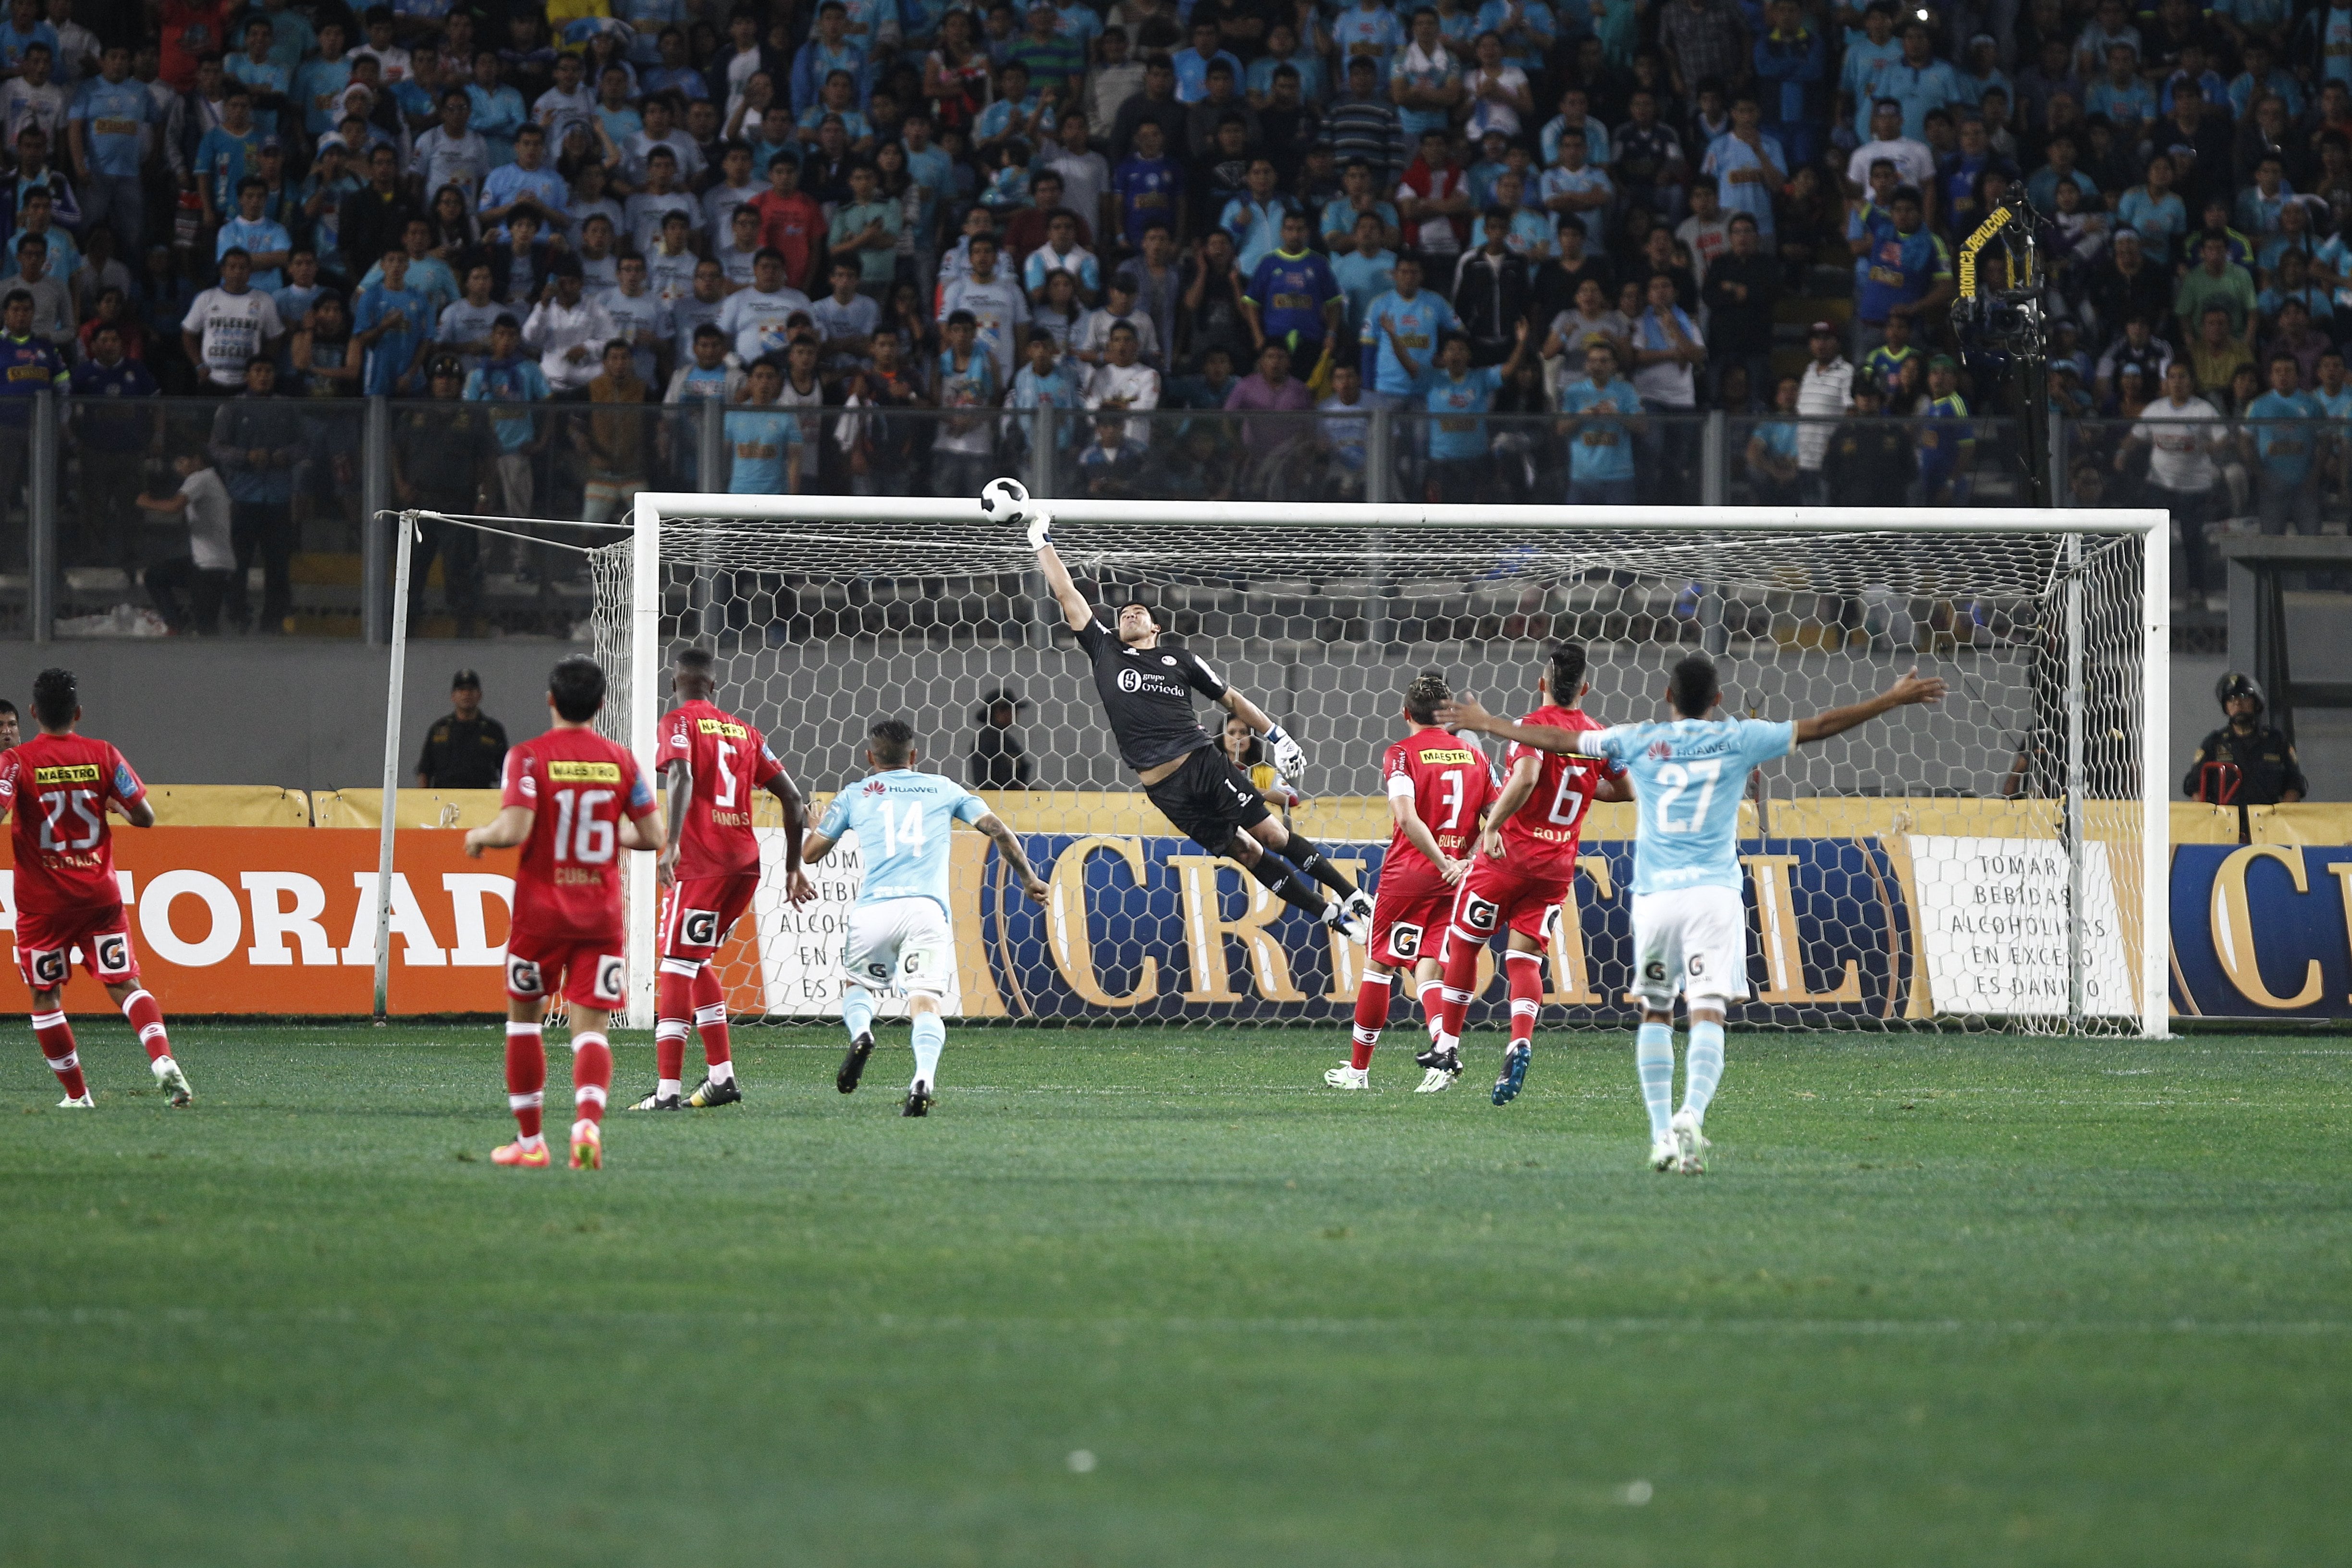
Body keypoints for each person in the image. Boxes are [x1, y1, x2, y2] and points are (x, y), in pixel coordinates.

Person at [1451, 653, 1946, 1172]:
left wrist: (1491, 725)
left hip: (1657, 900)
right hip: (1713, 897)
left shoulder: (1640, 738)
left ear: (1668, 697)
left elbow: (1560, 742)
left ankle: (1662, 1133)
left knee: (1657, 1013)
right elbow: (1821, 726)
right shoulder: (1739, 738)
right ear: (1718, 700)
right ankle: (1693, 1113)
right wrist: (1891, 699)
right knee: (1708, 1011)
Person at [1028, 505, 1371, 939]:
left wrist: (1276, 734)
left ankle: (1351, 894)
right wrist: (1041, 542)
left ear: (1157, 626)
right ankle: (1329, 914)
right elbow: (1067, 595)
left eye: (1139, 612)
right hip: (1163, 790)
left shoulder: (1181, 660)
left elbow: (1231, 698)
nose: (1129, 615)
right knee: (1245, 854)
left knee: (1269, 834)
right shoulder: (1105, 650)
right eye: (1123, 614)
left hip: (1202, 765)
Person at [463, 656, 666, 1171]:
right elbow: (654, 836)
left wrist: (479, 836)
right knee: (592, 1030)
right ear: (601, 705)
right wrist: (603, 839)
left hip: (541, 915)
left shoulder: (528, 757)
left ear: (550, 700)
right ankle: (587, 1129)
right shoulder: (621, 761)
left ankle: (531, 1144)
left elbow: (513, 829)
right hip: (599, 916)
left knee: (525, 1025)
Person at [1405, 644, 1626, 1101]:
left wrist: (1495, 826)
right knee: (1524, 958)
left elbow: (1525, 778)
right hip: (1556, 868)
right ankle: (1520, 1040)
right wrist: (1583, 785)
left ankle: (1446, 1045)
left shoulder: (1529, 727)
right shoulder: (1599, 737)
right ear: (1585, 688)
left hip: (1509, 859)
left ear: (1542, 683)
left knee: (1466, 943)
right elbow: (1622, 790)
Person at [802, 717, 1048, 1115]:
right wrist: (1030, 878)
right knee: (926, 1002)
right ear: (915, 756)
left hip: (875, 910)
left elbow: (811, 853)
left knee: (857, 984)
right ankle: (923, 1080)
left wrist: (816, 826)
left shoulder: (856, 793)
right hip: (927, 911)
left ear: (870, 758)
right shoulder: (943, 789)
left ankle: (863, 1033)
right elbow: (999, 830)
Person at [629, 647, 814, 1113]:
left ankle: (667, 1093)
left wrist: (671, 842)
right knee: (694, 960)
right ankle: (721, 1077)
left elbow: (684, 774)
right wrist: (794, 866)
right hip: (744, 866)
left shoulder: (677, 723)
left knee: (674, 965)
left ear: (676, 685)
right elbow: (794, 801)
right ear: (714, 687)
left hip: (703, 863)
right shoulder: (746, 732)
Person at [0, 666, 187, 1108]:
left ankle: (78, 1095)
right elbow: (145, 817)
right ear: (78, 713)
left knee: (46, 996)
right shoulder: (104, 754)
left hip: (43, 906)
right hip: (100, 897)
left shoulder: (17, 761)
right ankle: (162, 1061)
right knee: (125, 984)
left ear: (32, 713)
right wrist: (106, 804)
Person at [1327, 669, 1498, 1091]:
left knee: (1380, 965)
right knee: (1429, 970)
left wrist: (1440, 860)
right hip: (1457, 879)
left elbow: (1406, 816)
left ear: (1407, 713)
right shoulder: (1477, 757)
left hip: (1411, 874)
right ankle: (1443, 1056)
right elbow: (1498, 818)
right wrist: (1464, 861)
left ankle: (1358, 1071)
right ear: (1446, 715)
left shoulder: (1401, 754)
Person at [205, 354, 300, 633]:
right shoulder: (233, 407)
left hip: (278, 498)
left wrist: (285, 456)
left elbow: (304, 445)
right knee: (238, 563)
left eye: (268, 370)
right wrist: (246, 456)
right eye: (258, 370)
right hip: (243, 497)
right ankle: (237, 615)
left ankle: (273, 618)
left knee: (278, 564)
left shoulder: (287, 408)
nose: (263, 376)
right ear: (247, 376)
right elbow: (217, 447)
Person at [135, 442, 234, 634]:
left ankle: (179, 624)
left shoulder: (199, 478)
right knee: (155, 576)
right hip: (208, 562)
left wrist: (146, 502)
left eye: (183, 461)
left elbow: (175, 507)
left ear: (197, 460)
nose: (179, 467)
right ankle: (176, 623)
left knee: (206, 629)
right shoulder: (213, 479)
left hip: (209, 566)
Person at [2183, 673, 2306, 805]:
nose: (2237, 703)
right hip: (2226, 823)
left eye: (2244, 696)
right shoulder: (2214, 743)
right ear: (2226, 707)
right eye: (2230, 699)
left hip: (2266, 823)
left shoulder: (2276, 742)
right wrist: (2209, 818)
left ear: (2256, 702)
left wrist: (2280, 817)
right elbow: (2196, 786)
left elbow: (2295, 784)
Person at [414, 669, 507, 789]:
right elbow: (424, 771)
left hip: (481, 798)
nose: (466, 694)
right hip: (444, 799)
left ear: (480, 695)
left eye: (471, 690)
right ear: (453, 696)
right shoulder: (439, 730)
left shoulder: (493, 731)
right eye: (461, 690)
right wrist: (424, 801)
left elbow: (506, 771)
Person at [969, 686, 1033, 788]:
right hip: (998, 800)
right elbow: (984, 780)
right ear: (999, 711)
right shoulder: (986, 740)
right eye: (1013, 709)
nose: (1017, 713)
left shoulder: (1006, 740)